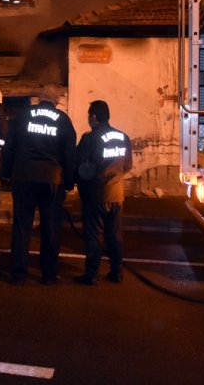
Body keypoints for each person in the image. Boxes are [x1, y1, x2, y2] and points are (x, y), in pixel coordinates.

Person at [1, 84, 77, 285]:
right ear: (57, 101)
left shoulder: (23, 116)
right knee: (50, 228)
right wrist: (69, 181)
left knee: (22, 226)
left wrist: (6, 174)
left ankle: (18, 274)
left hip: (24, 177)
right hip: (52, 180)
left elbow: (9, 147)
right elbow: (70, 154)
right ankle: (49, 274)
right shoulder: (63, 120)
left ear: (39, 99)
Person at [74, 100, 133, 285]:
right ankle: (117, 273)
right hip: (116, 195)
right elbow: (128, 165)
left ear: (93, 117)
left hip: (96, 195)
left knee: (94, 235)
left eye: (88, 115)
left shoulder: (89, 139)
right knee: (114, 236)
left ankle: (91, 275)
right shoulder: (123, 137)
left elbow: (82, 168)